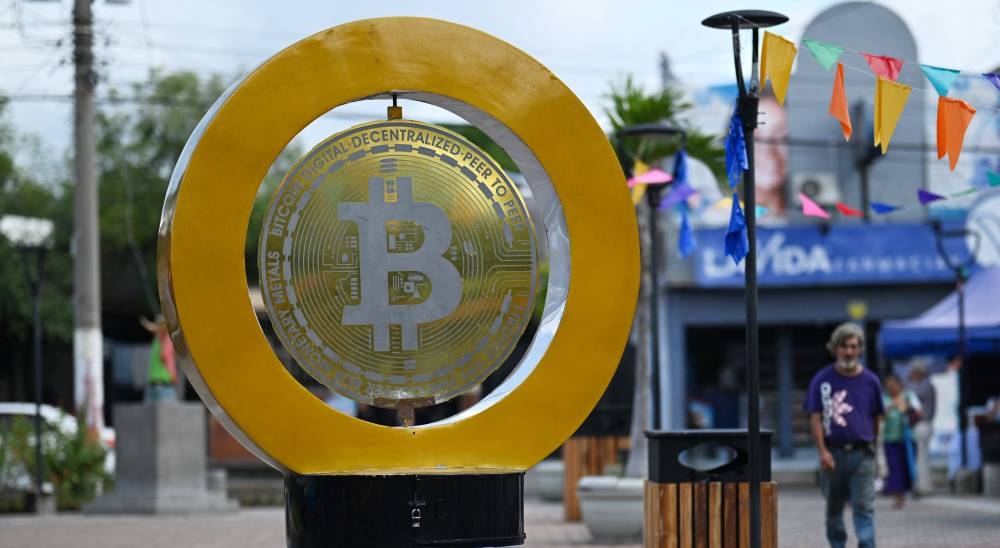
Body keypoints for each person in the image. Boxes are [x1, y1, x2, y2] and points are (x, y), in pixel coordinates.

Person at [804, 322, 884, 548]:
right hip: (833, 455)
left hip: (862, 454)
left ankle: (867, 544)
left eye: (853, 346)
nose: (849, 352)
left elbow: (877, 417)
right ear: (835, 348)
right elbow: (815, 418)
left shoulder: (871, 381)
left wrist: (873, 448)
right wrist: (822, 452)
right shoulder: (822, 380)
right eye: (843, 346)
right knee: (834, 509)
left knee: (864, 507)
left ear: (860, 349)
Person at [881, 374, 921, 509]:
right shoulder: (884, 399)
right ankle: (898, 497)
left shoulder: (908, 396)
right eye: (888, 386)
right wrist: (892, 406)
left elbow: (918, 413)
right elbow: (879, 416)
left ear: (900, 385)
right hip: (890, 439)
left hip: (908, 439)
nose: (891, 388)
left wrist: (906, 407)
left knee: (908, 467)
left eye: (893, 385)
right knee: (895, 468)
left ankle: (909, 490)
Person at [906, 360, 936, 495]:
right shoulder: (927, 385)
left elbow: (911, 396)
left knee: (921, 456)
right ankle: (924, 484)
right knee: (923, 456)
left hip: (923, 423)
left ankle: (924, 486)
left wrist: (908, 382)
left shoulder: (925, 386)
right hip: (924, 424)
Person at [140, 315, 178, 403]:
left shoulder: (155, 341)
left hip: (154, 383)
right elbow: (164, 356)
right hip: (164, 384)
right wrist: (173, 375)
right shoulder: (166, 339)